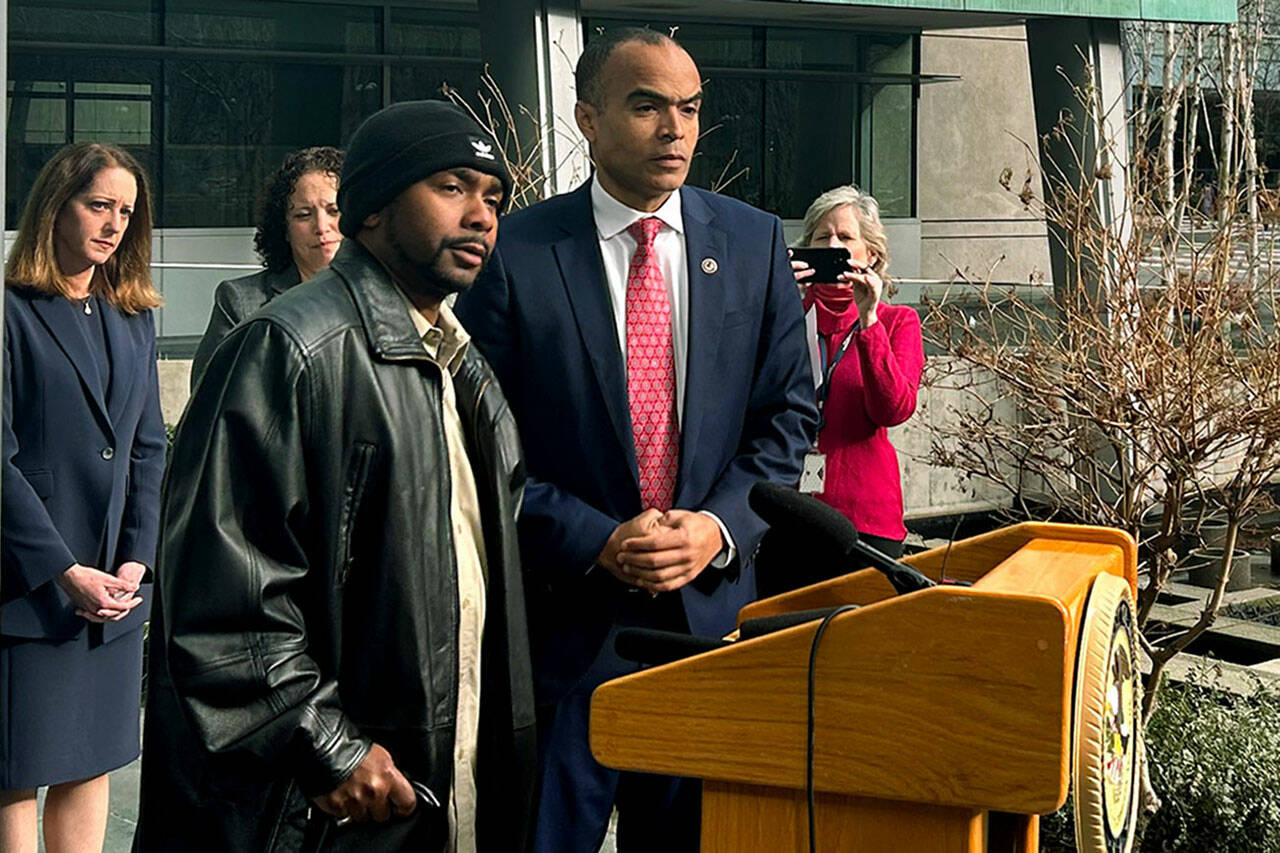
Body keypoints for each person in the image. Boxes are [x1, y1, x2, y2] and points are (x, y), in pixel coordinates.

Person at [134, 101, 536, 852]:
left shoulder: (463, 365)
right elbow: (225, 599)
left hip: (443, 789)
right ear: (374, 208)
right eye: (452, 187)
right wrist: (328, 745)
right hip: (322, 812)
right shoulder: (289, 345)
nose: (481, 214)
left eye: (493, 196)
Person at [455, 27, 817, 853]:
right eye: (647, 105)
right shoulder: (514, 252)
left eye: (689, 108)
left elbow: (786, 416)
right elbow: (481, 443)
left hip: (709, 629)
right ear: (587, 117)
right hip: (564, 632)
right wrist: (597, 538)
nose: (675, 129)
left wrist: (717, 527)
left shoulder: (754, 242)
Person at [1, 142, 165, 853]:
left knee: (92, 764)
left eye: (125, 211)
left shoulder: (133, 317)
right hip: (33, 591)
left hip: (114, 600)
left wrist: (137, 560)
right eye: (100, 204)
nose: (114, 224)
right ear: (55, 207)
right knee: (16, 773)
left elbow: (149, 446)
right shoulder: (10, 312)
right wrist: (64, 570)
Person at [789, 185, 924, 561]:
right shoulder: (787, 318)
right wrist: (781, 306)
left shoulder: (898, 322)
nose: (832, 245)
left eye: (845, 237)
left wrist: (869, 321)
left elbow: (892, 411)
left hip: (865, 518)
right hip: (788, 512)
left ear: (872, 254)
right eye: (822, 237)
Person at [189, 145, 343, 388]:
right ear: (284, 229)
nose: (322, 226)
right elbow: (209, 399)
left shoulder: (389, 295)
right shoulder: (241, 303)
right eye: (303, 215)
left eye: (334, 211)